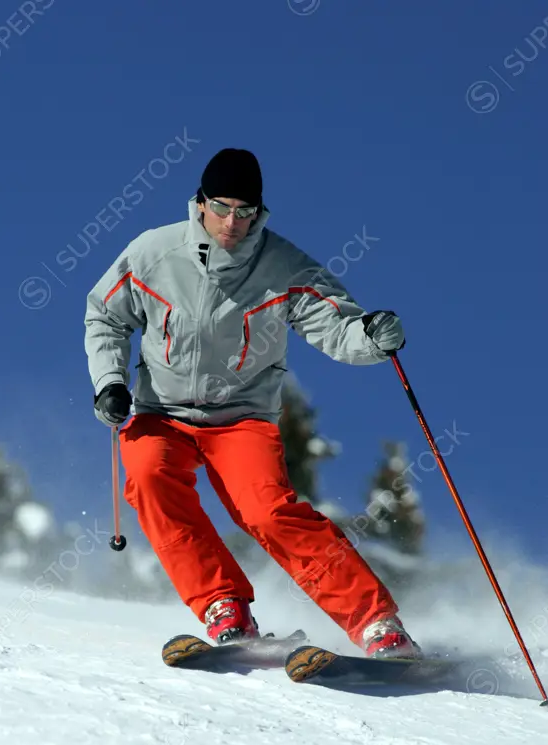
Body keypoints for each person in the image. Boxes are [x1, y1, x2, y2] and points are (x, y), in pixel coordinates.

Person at [84, 147, 421, 659]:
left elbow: (337, 325)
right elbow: (105, 317)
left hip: (241, 418)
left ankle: (376, 624)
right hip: (163, 413)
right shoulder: (153, 254)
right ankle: (224, 606)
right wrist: (110, 382)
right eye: (222, 207)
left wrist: (373, 337)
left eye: (246, 212)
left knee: (267, 511)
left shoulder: (282, 266)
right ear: (199, 204)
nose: (232, 222)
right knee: (149, 478)